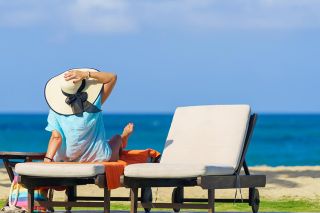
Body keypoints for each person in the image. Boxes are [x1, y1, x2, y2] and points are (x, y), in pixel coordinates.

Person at [43, 68, 133, 163]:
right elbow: (112, 77)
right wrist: (86, 74)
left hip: (65, 159)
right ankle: (123, 138)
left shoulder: (56, 109)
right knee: (117, 138)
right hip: (97, 158)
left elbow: (56, 138)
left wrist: (47, 159)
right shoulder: (94, 103)